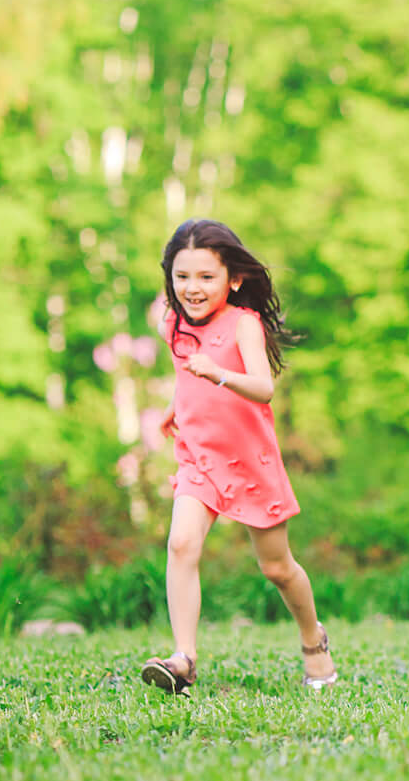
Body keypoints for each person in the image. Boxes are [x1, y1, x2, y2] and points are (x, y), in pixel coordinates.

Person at [140, 219, 337, 695]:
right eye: (182, 276)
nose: (192, 288)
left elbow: (263, 387)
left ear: (233, 279)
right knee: (181, 544)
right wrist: (174, 406)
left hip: (250, 462)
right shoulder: (173, 322)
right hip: (199, 457)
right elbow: (185, 374)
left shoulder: (243, 324)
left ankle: (313, 639)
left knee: (277, 568)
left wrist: (217, 373)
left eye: (206, 277)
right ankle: (184, 659)